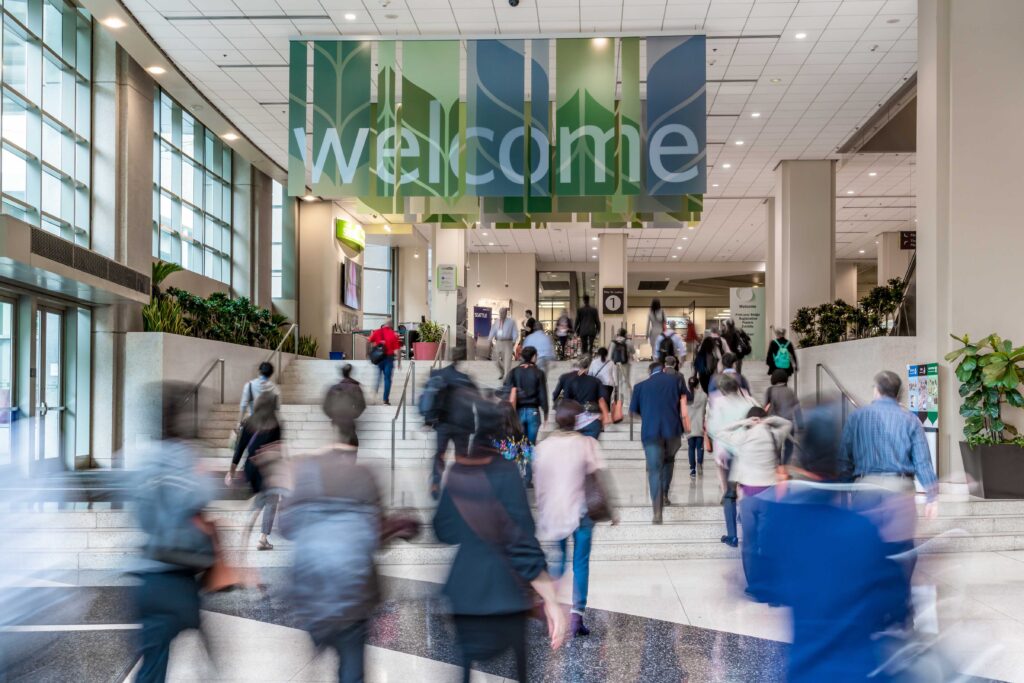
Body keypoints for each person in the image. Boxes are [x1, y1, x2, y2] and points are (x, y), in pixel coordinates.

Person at [757, 407, 912, 683]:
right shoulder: (862, 529)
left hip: (805, 670)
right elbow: (894, 602)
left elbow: (766, 583)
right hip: (857, 670)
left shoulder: (782, 526)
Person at [433, 395, 566, 682]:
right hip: (505, 594)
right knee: (521, 666)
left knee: (465, 669)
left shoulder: (457, 475)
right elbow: (522, 541)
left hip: (464, 592)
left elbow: (443, 531)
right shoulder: (506, 473)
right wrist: (550, 600)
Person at [280, 449, 386, 683]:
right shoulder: (362, 478)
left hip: (313, 595)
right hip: (354, 597)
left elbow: (285, 527)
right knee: (352, 668)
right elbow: (377, 536)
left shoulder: (307, 477)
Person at [134, 383, 216, 683]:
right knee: (211, 661)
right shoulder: (187, 458)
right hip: (180, 577)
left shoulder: (140, 460)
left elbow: (141, 515)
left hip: (148, 575)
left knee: (152, 665)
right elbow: (203, 496)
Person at [838, 370, 939, 567]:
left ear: (876, 391)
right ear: (898, 393)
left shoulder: (857, 417)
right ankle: (900, 593)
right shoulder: (910, 420)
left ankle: (869, 591)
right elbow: (922, 461)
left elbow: (844, 459)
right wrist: (931, 495)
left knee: (864, 545)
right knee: (903, 548)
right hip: (900, 490)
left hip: (865, 487)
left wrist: (844, 490)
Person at [533, 400, 606, 638]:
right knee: (581, 563)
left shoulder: (544, 447)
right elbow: (599, 479)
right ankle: (576, 615)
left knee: (560, 559)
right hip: (582, 513)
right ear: (576, 420)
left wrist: (544, 509)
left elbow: (539, 485)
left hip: (557, 512)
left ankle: (550, 606)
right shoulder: (587, 443)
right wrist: (611, 511)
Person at [714, 406, 791, 601]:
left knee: (749, 543)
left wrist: (744, 423)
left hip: (748, 496)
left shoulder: (742, 438)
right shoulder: (775, 435)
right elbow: (788, 423)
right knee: (768, 541)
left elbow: (719, 432)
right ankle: (770, 583)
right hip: (770, 495)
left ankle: (755, 586)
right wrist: (768, 420)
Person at [630, 361, 690, 523]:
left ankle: (657, 511)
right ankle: (665, 492)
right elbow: (686, 399)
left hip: (651, 432)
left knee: (654, 470)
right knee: (669, 461)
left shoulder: (640, 387)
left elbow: (634, 412)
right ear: (664, 369)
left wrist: (649, 413)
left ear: (649, 372)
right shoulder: (676, 380)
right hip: (673, 431)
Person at [226, 391, 284, 550]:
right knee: (271, 500)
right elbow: (278, 450)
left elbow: (239, 449)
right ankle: (262, 538)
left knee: (262, 498)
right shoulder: (275, 423)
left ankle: (247, 522)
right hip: (268, 467)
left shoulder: (249, 422)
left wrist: (231, 471)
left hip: (251, 467)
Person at [705, 373, 757, 548]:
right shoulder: (749, 400)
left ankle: (732, 535)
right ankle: (749, 529)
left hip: (728, 453)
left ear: (722, 389)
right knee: (747, 491)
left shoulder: (718, 402)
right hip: (748, 452)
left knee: (729, 494)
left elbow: (712, 428)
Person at [425, 360, 479, 499]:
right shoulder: (466, 379)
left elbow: (430, 398)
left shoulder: (439, 375)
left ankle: (435, 484)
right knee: (461, 456)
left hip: (443, 423)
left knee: (440, 454)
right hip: (463, 424)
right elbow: (477, 401)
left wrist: (428, 419)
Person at [504, 347, 549, 485]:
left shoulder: (513, 372)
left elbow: (505, 391)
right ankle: (526, 479)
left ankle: (512, 476)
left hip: (517, 413)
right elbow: (542, 394)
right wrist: (546, 411)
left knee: (517, 444)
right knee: (529, 446)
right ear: (534, 356)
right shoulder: (539, 373)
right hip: (533, 412)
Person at [552, 357, 609, 440]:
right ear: (586, 369)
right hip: (592, 420)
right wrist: (605, 415)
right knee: (589, 449)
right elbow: (602, 399)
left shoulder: (567, 379)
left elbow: (559, 396)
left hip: (572, 419)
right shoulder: (595, 381)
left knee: (574, 450)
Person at [322, 363, 366, 447]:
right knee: (352, 444)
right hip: (349, 420)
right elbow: (362, 405)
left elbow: (325, 406)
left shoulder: (333, 388)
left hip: (336, 421)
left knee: (340, 441)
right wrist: (353, 414)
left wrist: (333, 415)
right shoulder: (355, 387)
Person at [764, 369, 802, 464]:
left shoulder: (770, 391)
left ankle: (778, 465)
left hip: (775, 424)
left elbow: (765, 407)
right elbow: (797, 408)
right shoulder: (790, 391)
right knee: (789, 447)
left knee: (776, 446)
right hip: (789, 423)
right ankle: (785, 465)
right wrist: (800, 423)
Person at [368, 318, 401, 405]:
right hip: (389, 359)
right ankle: (385, 400)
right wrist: (399, 362)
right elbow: (397, 350)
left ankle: (373, 397)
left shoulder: (377, 332)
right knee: (387, 379)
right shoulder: (393, 334)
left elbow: (370, 340)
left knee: (378, 377)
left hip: (379, 359)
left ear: (384, 324)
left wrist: (375, 347)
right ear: (390, 325)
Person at [237, 361, 277, 427]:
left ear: (259, 371)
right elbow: (276, 408)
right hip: (269, 426)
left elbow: (243, 406)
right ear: (271, 374)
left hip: (253, 425)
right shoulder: (275, 388)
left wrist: (239, 423)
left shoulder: (249, 385)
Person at [489, 307, 518, 381]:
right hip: (498, 342)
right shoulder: (496, 322)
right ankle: (502, 371)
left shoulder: (511, 322)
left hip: (508, 342)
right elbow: (493, 331)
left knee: (507, 361)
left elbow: (515, 331)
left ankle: (506, 377)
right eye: (500, 313)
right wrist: (489, 340)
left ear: (506, 313)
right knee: (494, 358)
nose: (501, 314)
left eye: (502, 313)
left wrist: (514, 340)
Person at [686, 375, 707, 478]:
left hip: (689, 426)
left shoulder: (684, 397)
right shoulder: (703, 396)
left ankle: (692, 469)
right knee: (700, 447)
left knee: (691, 448)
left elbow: (682, 412)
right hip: (700, 424)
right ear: (698, 384)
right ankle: (699, 462)